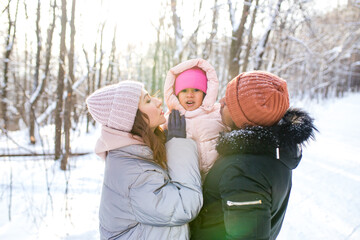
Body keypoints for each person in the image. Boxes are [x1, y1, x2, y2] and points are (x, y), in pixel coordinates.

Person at [190, 71, 317, 240]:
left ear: (243, 116)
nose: (220, 102)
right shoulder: (275, 151)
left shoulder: (244, 171)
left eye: (228, 102)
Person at [86, 80, 203, 240]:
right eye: (147, 100)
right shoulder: (135, 172)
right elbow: (185, 206)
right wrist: (178, 145)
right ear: (133, 119)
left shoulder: (133, 154)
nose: (158, 101)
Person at [164, 58, 228, 180]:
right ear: (176, 94)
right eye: (184, 90)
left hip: (217, 176)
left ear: (205, 93)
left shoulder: (217, 113)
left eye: (196, 90)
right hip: (188, 177)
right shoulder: (171, 119)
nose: (190, 95)